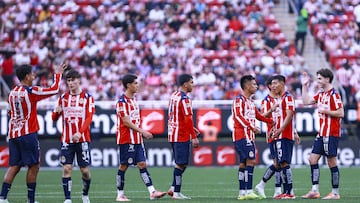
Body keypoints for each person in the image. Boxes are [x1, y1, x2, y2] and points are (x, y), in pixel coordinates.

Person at [0, 63, 66, 203]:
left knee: (15, 166)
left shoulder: (12, 93)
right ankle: (31, 200)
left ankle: (2, 197)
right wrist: (58, 74)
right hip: (28, 133)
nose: (34, 76)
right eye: (32, 74)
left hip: (13, 134)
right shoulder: (31, 91)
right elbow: (54, 89)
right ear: (27, 76)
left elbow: (9, 112)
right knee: (34, 165)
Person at [115, 74, 166, 202]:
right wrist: (143, 131)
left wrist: (140, 133)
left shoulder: (134, 100)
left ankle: (152, 192)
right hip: (126, 139)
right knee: (123, 166)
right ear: (128, 85)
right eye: (135, 83)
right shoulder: (122, 102)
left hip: (137, 139)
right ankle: (120, 194)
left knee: (142, 164)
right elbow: (126, 122)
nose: (138, 86)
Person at [51, 69, 94, 203]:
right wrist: (56, 113)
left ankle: (85, 194)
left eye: (72, 80)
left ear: (78, 80)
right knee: (67, 168)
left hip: (82, 140)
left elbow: (89, 118)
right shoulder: (63, 98)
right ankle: (68, 199)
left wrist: (80, 132)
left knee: (85, 171)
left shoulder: (88, 98)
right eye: (68, 81)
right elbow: (54, 118)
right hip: (66, 140)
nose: (70, 83)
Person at [301, 69, 344, 200]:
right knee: (312, 159)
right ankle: (314, 191)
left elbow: (341, 113)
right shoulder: (321, 94)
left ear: (327, 79)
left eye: (319, 78)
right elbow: (306, 102)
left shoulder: (334, 95)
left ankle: (335, 193)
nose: (318, 81)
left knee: (331, 161)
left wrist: (325, 110)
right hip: (322, 133)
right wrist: (304, 86)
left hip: (331, 133)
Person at [232, 75, 273, 200]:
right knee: (251, 160)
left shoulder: (250, 102)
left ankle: (242, 193)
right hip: (241, 135)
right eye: (254, 84)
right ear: (247, 86)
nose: (256, 86)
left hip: (249, 136)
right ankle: (249, 190)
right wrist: (251, 127)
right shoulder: (239, 100)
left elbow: (258, 116)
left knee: (244, 163)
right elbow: (238, 116)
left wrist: (271, 121)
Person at [167, 73, 200, 200]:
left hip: (172, 133)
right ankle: (176, 192)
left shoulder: (173, 95)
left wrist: (192, 129)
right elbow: (187, 118)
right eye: (191, 82)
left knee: (182, 163)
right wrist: (194, 136)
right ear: (185, 84)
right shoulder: (185, 99)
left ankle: (173, 188)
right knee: (180, 164)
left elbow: (177, 115)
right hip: (181, 135)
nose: (193, 85)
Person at [255, 77, 283, 198]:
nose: (276, 86)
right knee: (277, 163)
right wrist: (271, 110)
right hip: (272, 135)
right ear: (270, 86)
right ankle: (263, 185)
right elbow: (261, 116)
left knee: (280, 163)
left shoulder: (281, 99)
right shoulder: (266, 101)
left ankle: (276, 190)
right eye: (274, 84)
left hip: (282, 134)